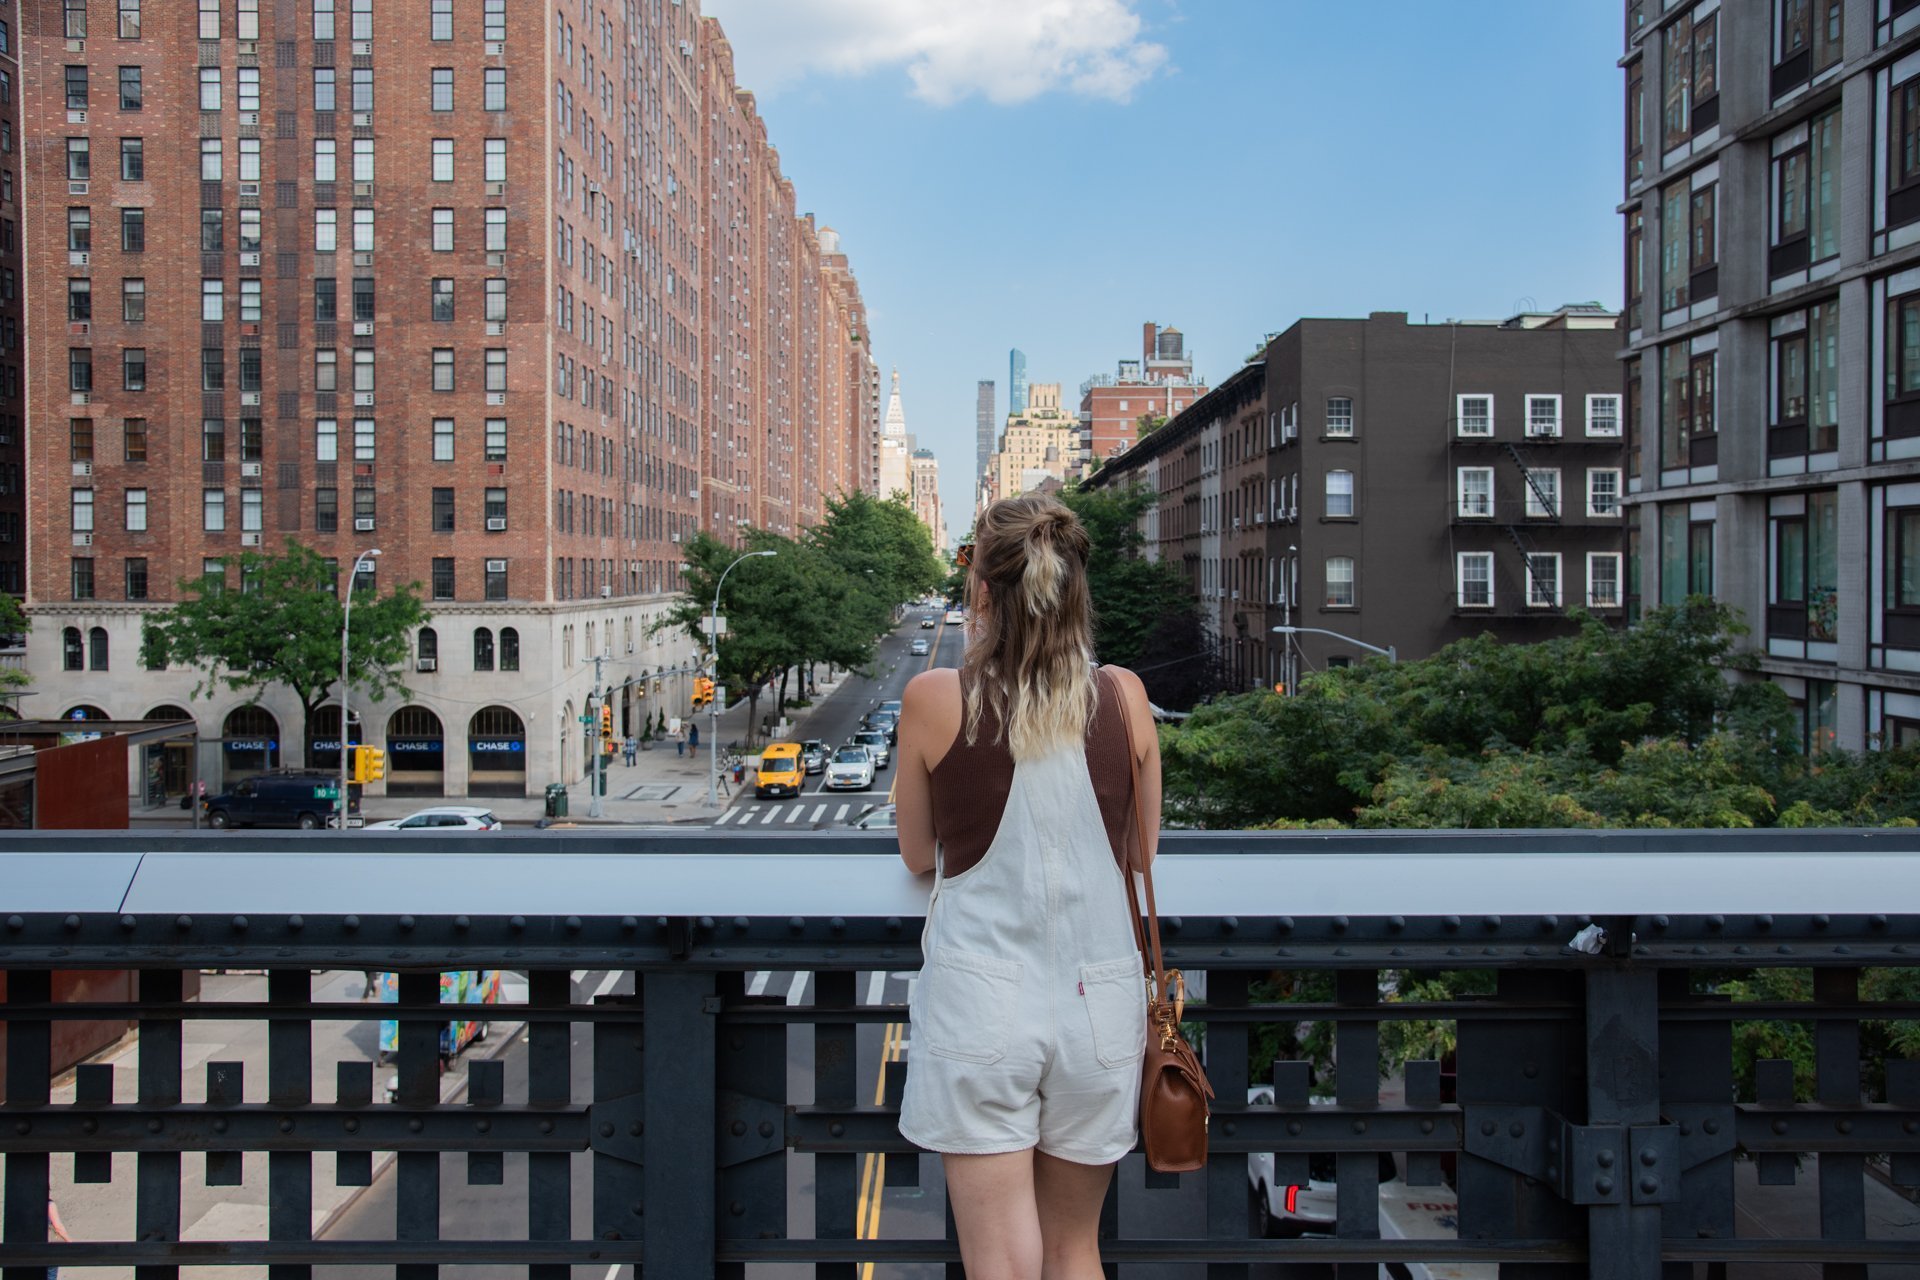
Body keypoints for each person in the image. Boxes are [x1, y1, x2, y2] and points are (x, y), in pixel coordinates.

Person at [893, 493, 1160, 1280]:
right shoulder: (1127, 697)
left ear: (981, 589)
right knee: (1076, 1250)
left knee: (1001, 1263)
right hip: (1102, 1003)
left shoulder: (939, 700)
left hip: (982, 1003)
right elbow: (1140, 856)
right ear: (1076, 589)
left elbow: (916, 854)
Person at [48, 1193, 71, 1277]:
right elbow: (58, 1227)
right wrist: (70, 1242)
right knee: (50, 1275)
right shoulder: (49, 1204)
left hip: (30, 1248)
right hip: (49, 1248)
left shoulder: (25, 1204)